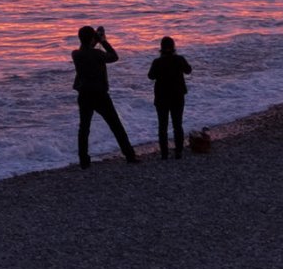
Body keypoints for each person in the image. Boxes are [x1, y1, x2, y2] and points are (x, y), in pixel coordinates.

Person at [72, 25, 140, 167]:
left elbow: (85, 49)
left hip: (84, 95)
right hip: (100, 95)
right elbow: (114, 56)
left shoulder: (76, 54)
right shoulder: (97, 54)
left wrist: (93, 40)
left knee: (84, 128)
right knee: (116, 125)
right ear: (92, 39)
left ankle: (83, 161)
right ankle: (130, 155)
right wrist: (103, 41)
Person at [147, 36, 193, 161]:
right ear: (173, 47)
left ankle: (164, 154)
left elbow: (151, 76)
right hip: (177, 95)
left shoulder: (157, 62)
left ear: (161, 48)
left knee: (163, 126)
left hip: (162, 97)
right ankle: (178, 152)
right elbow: (188, 70)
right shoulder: (179, 59)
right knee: (177, 124)